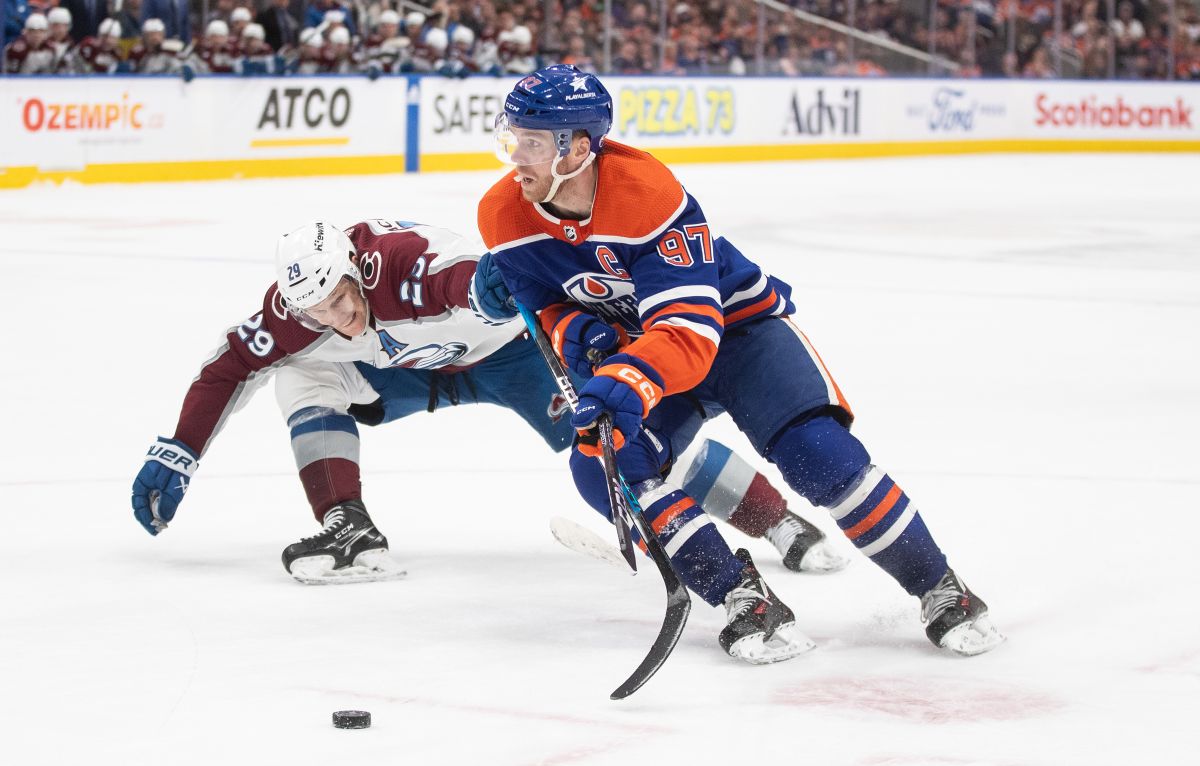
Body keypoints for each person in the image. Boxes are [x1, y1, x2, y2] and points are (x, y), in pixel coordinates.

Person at [476, 64, 1005, 658]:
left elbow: (689, 332)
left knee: (817, 454)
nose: (515, 156)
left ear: (578, 148)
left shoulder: (646, 194)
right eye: (511, 138)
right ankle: (742, 596)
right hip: (645, 353)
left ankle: (940, 587)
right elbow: (544, 303)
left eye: (533, 142)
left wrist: (624, 378)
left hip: (735, 334)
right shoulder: (502, 215)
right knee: (604, 465)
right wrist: (575, 331)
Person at [130, 219, 844, 590]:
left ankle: (778, 521)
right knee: (302, 374)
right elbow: (229, 366)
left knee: (623, 440)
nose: (335, 320)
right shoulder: (302, 313)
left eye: (342, 301)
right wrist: (180, 449)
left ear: (355, 271)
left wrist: (483, 288)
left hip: (510, 356)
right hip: (410, 370)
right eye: (316, 313)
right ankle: (348, 527)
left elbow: (452, 277)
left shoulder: (399, 265)